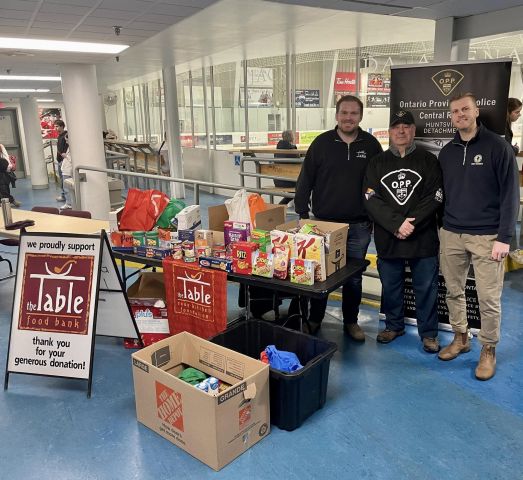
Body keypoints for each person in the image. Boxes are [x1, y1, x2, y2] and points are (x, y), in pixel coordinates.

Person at [437, 92, 519, 381]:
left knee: (488, 298)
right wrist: (442, 229)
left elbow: (511, 195)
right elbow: (442, 195)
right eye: (455, 111)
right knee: (453, 291)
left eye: (465, 109)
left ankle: (488, 349)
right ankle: (461, 337)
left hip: (488, 236)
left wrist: (504, 238)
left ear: (476, 111)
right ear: (451, 116)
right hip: (452, 233)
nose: (460, 114)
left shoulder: (498, 147)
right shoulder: (446, 152)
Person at [294, 94, 383, 340]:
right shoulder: (321, 144)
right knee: (321, 275)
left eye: (354, 113)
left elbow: (377, 185)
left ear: (361, 116)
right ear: (336, 115)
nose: (348, 117)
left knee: (353, 279)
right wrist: (302, 214)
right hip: (323, 225)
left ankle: (351, 322)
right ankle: (315, 319)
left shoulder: (371, 145)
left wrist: (376, 217)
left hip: (358, 226)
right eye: (344, 112)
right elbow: (305, 180)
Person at [364, 110, 443, 353]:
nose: (401, 130)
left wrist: (412, 223)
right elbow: (370, 197)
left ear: (413, 130)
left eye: (406, 126)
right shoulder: (377, 162)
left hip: (423, 237)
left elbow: (435, 196)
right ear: (389, 132)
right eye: (396, 126)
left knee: (426, 287)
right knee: (391, 286)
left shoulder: (428, 160)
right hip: (389, 236)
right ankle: (393, 326)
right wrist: (397, 224)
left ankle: (428, 333)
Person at [274, 130, 298, 205]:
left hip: (278, 181)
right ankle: (306, 209)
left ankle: (280, 206)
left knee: (296, 191)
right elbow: (299, 165)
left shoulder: (278, 149)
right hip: (288, 181)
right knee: (304, 187)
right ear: (292, 138)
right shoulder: (292, 150)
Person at [0, 144, 20, 208]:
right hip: (3, 172)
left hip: (5, 172)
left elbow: (6, 162)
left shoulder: (2, 148)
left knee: (5, 188)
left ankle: (8, 201)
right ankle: (10, 201)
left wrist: (11, 164)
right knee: (3, 189)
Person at [54, 120, 68, 202]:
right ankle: (63, 195)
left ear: (62, 126)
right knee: (62, 179)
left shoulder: (65, 136)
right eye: (55, 126)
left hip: (64, 161)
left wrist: (64, 158)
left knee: (64, 179)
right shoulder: (59, 136)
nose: (56, 128)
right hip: (60, 161)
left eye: (57, 126)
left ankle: (65, 197)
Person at [59, 137, 73, 210]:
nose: (66, 142)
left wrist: (66, 156)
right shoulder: (69, 148)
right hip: (65, 170)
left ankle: (69, 203)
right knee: (66, 188)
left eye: (67, 140)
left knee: (66, 188)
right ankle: (69, 202)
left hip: (68, 171)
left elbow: (72, 160)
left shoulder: (73, 148)